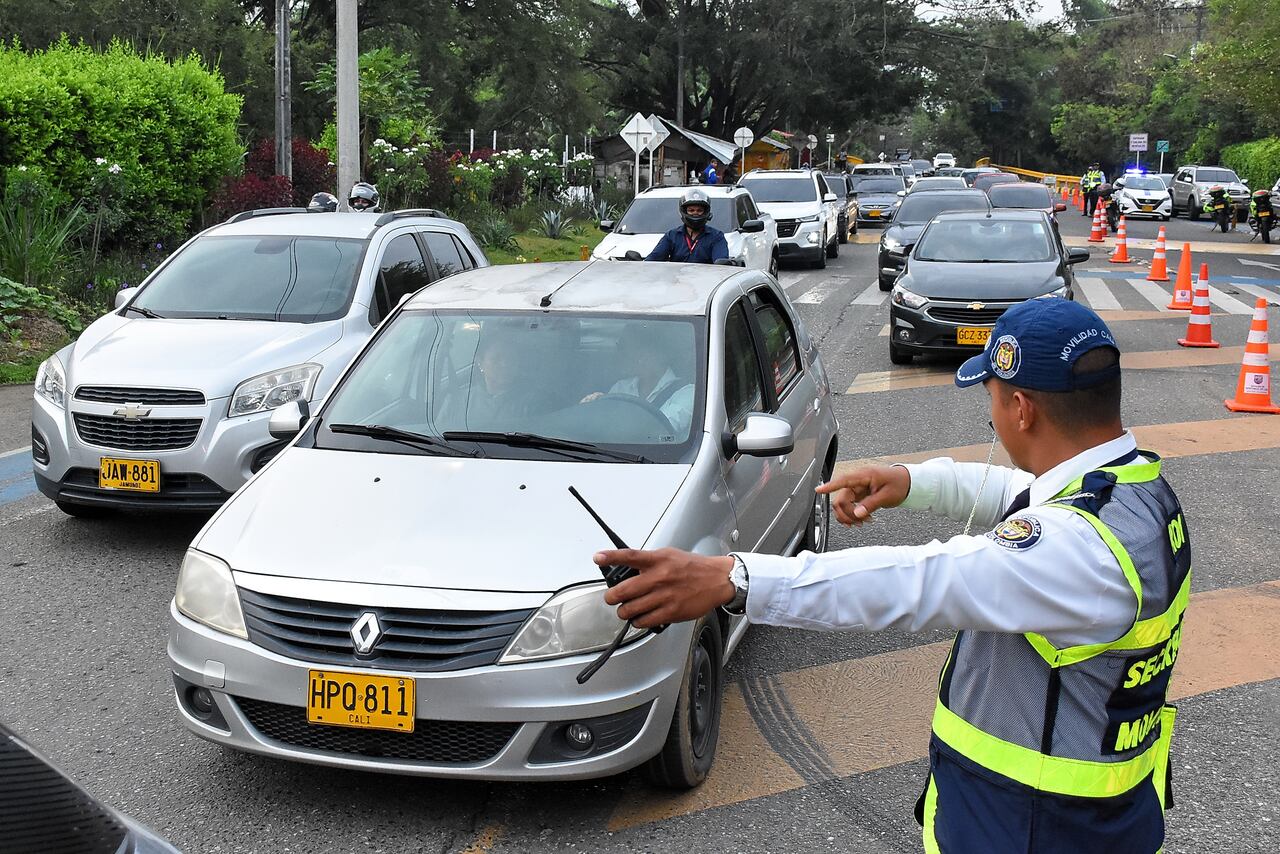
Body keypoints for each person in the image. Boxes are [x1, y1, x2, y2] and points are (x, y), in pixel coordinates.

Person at [596, 298, 1189, 854]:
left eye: (991, 395)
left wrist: (736, 579)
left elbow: (915, 581)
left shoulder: (1074, 550)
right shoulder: (1134, 494)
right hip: (1088, 815)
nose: (991, 414)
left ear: (1020, 408)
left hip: (1033, 827)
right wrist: (907, 482)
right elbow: (1017, 494)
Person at [580, 330, 695, 436]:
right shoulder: (621, 387)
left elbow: (658, 431)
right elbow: (601, 427)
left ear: (647, 354)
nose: (618, 353)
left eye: (623, 347)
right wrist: (593, 407)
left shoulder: (687, 394)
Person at [644, 188, 729, 263]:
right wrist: (639, 262)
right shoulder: (671, 236)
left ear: (706, 212)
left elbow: (721, 263)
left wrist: (726, 263)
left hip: (707, 279)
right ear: (684, 212)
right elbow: (653, 259)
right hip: (676, 280)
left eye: (699, 210)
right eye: (691, 210)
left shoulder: (717, 237)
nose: (695, 213)